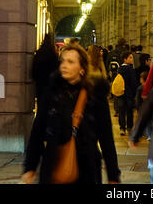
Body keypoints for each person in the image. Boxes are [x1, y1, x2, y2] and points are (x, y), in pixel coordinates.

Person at [22, 44, 120, 184]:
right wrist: (30, 166)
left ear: (82, 68)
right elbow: (38, 129)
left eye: (70, 62)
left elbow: (106, 137)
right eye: (62, 61)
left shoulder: (95, 95)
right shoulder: (51, 92)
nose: (64, 65)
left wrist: (113, 175)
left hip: (86, 169)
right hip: (54, 165)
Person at [32, 33, 59, 106]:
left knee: (40, 101)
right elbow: (56, 68)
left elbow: (34, 69)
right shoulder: (53, 54)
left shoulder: (39, 53)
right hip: (49, 82)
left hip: (40, 82)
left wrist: (35, 78)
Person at [117, 51, 137, 136]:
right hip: (129, 94)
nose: (132, 59)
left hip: (121, 93)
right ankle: (129, 127)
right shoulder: (130, 69)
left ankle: (122, 128)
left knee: (121, 111)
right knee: (129, 111)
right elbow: (133, 83)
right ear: (125, 59)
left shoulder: (119, 69)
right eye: (130, 57)